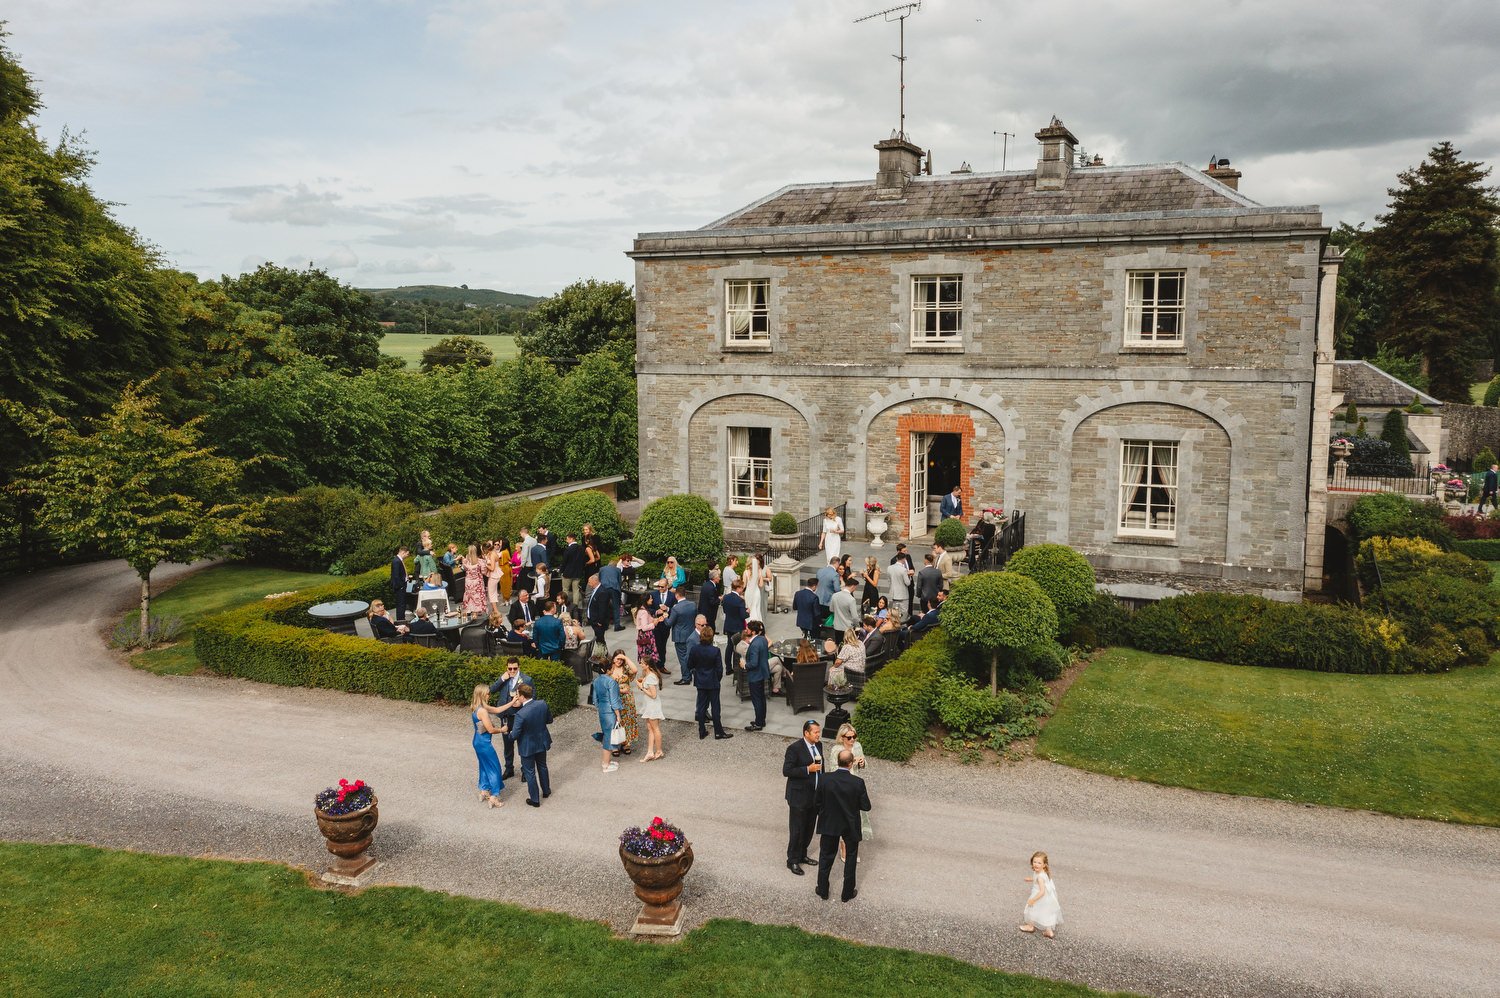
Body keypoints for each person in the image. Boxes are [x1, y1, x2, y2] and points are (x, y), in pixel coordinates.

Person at [814, 747, 871, 903]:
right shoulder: (857, 782)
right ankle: (846, 893)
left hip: (830, 822)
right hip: (850, 824)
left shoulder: (825, 779)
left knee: (826, 856)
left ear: (838, 762)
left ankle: (823, 889)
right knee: (851, 858)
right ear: (851, 763)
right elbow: (866, 806)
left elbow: (817, 801)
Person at [783, 720, 824, 876]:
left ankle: (802, 854)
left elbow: (822, 769)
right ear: (806, 733)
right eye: (815, 732)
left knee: (808, 828)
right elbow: (787, 770)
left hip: (814, 796)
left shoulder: (818, 746)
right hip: (799, 797)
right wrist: (808, 769)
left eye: (819, 732)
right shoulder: (794, 749)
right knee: (797, 830)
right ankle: (792, 860)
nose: (818, 734)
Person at [509, 682, 553, 807]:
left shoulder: (520, 714)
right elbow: (549, 720)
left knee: (530, 772)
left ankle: (535, 799)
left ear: (522, 696)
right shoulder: (542, 704)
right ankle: (546, 790)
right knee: (542, 766)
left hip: (527, 746)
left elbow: (515, 735)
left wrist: (509, 733)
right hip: (541, 741)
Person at [488, 657, 532, 778]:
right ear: (507, 668)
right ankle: (509, 769)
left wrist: (521, 703)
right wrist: (502, 679)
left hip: (520, 717)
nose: (512, 671)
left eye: (515, 668)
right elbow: (491, 690)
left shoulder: (527, 679)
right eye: (510, 668)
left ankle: (525, 771)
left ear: (519, 667)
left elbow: (533, 698)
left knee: (522, 743)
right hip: (506, 717)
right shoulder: (504, 678)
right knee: (507, 744)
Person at [832, 723, 871, 857]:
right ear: (842, 738)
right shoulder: (836, 750)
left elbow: (864, 763)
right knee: (844, 817)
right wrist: (852, 762)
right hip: (842, 787)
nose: (852, 740)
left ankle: (852, 844)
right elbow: (834, 769)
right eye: (849, 738)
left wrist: (862, 763)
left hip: (855, 785)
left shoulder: (857, 746)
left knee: (855, 817)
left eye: (854, 736)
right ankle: (843, 845)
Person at [688, 625, 731, 740]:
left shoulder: (695, 649)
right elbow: (719, 669)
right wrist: (717, 679)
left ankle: (702, 730)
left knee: (701, 707)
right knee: (715, 707)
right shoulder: (715, 651)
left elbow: (689, 665)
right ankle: (718, 731)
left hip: (701, 681)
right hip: (713, 681)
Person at [469, 685, 506, 808]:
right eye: (488, 693)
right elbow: (490, 730)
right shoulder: (483, 711)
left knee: (484, 766)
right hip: (484, 744)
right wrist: (502, 729)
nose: (490, 695)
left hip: (477, 741)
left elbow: (497, 710)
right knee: (495, 768)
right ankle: (494, 797)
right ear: (482, 694)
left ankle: (484, 790)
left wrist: (512, 702)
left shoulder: (477, 707)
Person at [1019, 851, 1062, 938]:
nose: (1036, 864)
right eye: (1034, 862)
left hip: (1039, 895)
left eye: (1039, 863)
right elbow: (1038, 879)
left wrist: (1033, 899)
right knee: (1045, 912)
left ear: (1044, 864)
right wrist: (1031, 879)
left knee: (1031, 909)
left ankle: (1030, 926)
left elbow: (1042, 891)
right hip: (1047, 898)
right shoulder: (1042, 872)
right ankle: (1049, 931)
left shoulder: (1040, 877)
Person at [591, 658, 623, 773]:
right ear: (609, 669)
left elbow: (595, 699)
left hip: (603, 711)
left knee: (607, 734)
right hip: (610, 713)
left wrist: (602, 708)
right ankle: (605, 764)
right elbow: (614, 701)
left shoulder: (596, 681)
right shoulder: (611, 682)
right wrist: (618, 715)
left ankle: (607, 761)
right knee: (609, 738)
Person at [635, 656, 666, 761]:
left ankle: (659, 750)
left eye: (642, 663)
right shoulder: (647, 674)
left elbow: (653, 695)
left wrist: (641, 687)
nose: (641, 664)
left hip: (653, 705)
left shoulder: (651, 676)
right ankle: (650, 752)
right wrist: (642, 683)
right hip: (649, 705)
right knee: (650, 728)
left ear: (647, 665)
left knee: (655, 728)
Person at [742, 619, 771, 731]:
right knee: (761, 699)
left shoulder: (754, 645)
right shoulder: (762, 639)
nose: (746, 630)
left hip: (755, 675)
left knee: (757, 700)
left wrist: (744, 665)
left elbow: (753, 663)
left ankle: (758, 723)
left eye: (748, 629)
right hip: (762, 673)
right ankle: (761, 720)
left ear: (753, 632)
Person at [667, 586, 698, 684]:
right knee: (690, 656)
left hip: (680, 637)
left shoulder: (676, 608)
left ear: (677, 595)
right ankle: (692, 674)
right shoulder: (693, 604)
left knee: (683, 658)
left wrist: (664, 616)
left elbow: (669, 623)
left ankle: (686, 678)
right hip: (691, 634)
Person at [611, 651, 640, 756]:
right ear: (613, 658)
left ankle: (626, 743)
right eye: (617, 658)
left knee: (627, 720)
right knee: (615, 720)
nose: (619, 661)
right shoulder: (610, 669)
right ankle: (614, 744)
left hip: (627, 699)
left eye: (621, 659)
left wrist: (625, 657)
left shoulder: (626, 668)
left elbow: (635, 670)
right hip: (615, 697)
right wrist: (620, 690)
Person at [720, 578, 748, 675]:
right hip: (738, 627)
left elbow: (724, 610)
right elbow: (743, 615)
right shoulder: (740, 601)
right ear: (738, 588)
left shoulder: (726, 597)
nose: (743, 590)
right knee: (739, 647)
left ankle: (728, 668)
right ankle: (738, 666)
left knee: (729, 646)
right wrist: (747, 612)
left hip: (728, 625)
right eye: (742, 588)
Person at [646, 580, 676, 671]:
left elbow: (676, 609)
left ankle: (661, 665)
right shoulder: (653, 595)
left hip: (666, 625)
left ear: (667, 586)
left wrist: (667, 608)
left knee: (663, 646)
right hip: (655, 624)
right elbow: (647, 608)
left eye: (662, 587)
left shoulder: (672, 596)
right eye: (658, 586)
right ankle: (654, 665)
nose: (660, 588)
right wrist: (655, 612)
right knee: (655, 645)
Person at [598, 557, 626, 633]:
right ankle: (617, 626)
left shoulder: (602, 569)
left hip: (604, 588)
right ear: (615, 565)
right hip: (614, 588)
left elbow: (599, 579)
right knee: (616, 607)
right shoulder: (617, 570)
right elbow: (619, 582)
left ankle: (605, 625)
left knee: (604, 607)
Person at [830, 576, 861, 643]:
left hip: (837, 626)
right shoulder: (851, 599)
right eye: (855, 587)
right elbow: (855, 617)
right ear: (853, 586)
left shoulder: (834, 595)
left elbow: (831, 609)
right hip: (847, 629)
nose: (855, 589)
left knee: (838, 645)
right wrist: (857, 626)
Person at [561, 532, 587, 605]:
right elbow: (583, 560)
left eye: (567, 539)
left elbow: (564, 562)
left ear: (571, 539)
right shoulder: (582, 548)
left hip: (567, 573)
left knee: (565, 590)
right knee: (576, 590)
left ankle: (564, 605)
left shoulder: (568, 549)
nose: (566, 541)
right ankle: (575, 606)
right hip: (578, 573)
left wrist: (561, 571)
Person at [461, 544, 487, 617]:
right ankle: (477, 609)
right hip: (477, 581)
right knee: (477, 595)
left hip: (469, 581)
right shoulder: (480, 561)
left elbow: (463, 569)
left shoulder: (466, 561)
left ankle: (470, 609)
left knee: (469, 595)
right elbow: (484, 571)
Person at [744, 552, 768, 624]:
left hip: (748, 592)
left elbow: (744, 585)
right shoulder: (758, 572)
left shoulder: (745, 572)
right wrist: (760, 575)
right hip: (756, 592)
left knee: (749, 608)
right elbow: (761, 585)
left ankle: (749, 623)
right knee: (756, 608)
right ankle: (757, 624)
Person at [815, 557, 840, 622]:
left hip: (818, 598)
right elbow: (837, 589)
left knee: (818, 618)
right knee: (827, 620)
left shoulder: (820, 570)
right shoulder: (835, 574)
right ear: (837, 563)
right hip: (828, 600)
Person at [390, 546, 410, 621]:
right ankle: (401, 620)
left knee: (402, 603)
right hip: (400, 587)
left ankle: (402, 618)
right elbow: (396, 575)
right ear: (403, 552)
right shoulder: (396, 561)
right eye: (407, 554)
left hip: (402, 585)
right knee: (401, 604)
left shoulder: (398, 560)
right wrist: (401, 586)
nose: (407, 556)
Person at [698, 568, 721, 633]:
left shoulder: (706, 584)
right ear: (715, 578)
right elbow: (712, 602)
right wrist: (719, 599)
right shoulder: (711, 587)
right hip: (709, 614)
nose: (719, 578)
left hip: (704, 611)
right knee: (710, 631)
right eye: (719, 577)